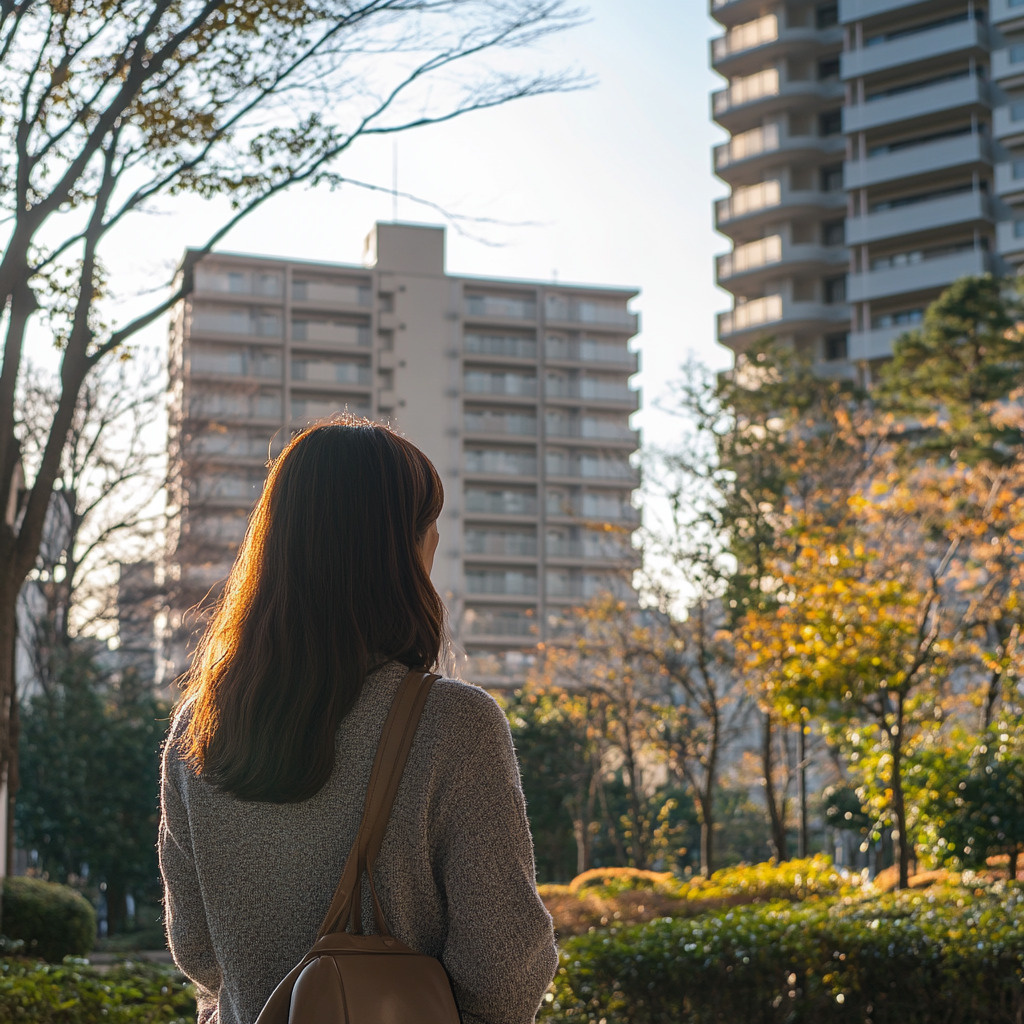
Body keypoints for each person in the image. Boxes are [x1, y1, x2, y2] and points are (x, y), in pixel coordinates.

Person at [159, 417, 558, 1024]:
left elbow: (196, 949)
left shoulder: (202, 728)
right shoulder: (452, 724)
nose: (436, 543)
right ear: (394, 550)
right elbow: (505, 965)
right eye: (426, 525)